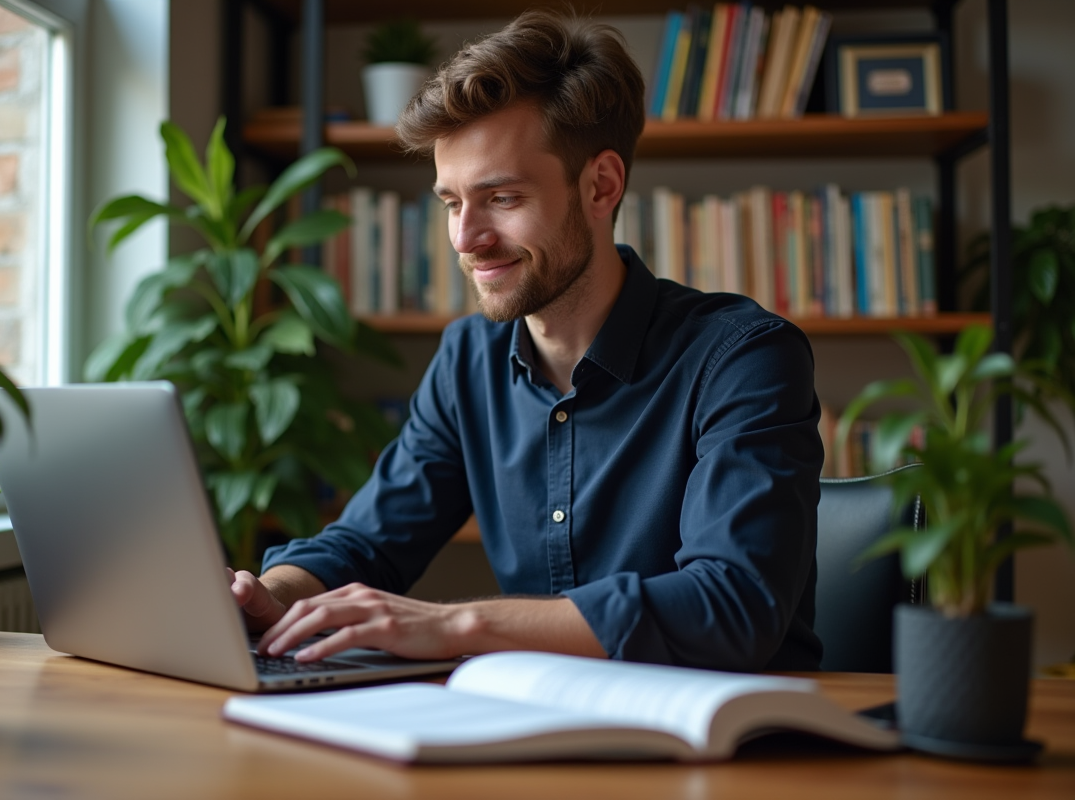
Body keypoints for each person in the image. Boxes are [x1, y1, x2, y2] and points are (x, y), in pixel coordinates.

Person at [230, 9, 824, 672]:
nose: (464, 238)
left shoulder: (743, 357)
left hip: (736, 749)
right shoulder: (468, 361)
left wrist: (457, 625)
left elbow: (732, 605)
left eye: (501, 197)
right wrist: (269, 597)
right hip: (544, 733)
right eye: (452, 203)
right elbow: (367, 543)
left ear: (601, 185)